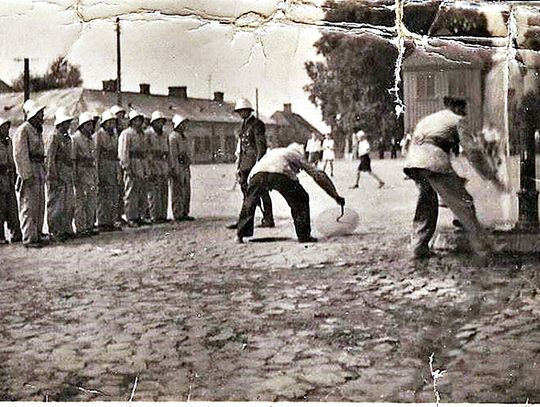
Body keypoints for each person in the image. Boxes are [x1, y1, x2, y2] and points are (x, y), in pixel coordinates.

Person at [404, 97, 506, 260]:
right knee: (464, 202)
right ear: (458, 108)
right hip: (433, 161)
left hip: (414, 162)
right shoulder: (458, 120)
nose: (465, 113)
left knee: (426, 204)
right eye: (464, 110)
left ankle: (418, 246)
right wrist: (491, 177)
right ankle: (484, 248)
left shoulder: (430, 118)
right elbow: (473, 152)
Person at [236, 143, 345, 244]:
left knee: (249, 202)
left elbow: (256, 174)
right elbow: (318, 174)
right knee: (301, 198)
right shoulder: (295, 154)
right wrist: (335, 195)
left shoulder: (274, 152)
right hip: (280, 173)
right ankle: (304, 236)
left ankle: (240, 234)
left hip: (256, 175)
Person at [228, 98, 274, 229]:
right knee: (246, 192)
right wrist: (239, 165)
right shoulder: (243, 125)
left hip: (254, 163)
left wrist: (259, 164)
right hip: (244, 163)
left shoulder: (257, 124)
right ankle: (245, 220)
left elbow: (261, 146)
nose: (241, 113)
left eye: (243, 111)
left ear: (248, 110)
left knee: (261, 191)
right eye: (239, 111)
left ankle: (268, 218)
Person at [12, 100, 47, 248]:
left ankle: (37, 233)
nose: (42, 116)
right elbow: (20, 155)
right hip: (30, 171)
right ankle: (29, 237)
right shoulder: (23, 131)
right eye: (39, 113)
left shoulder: (37, 130)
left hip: (38, 169)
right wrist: (27, 175)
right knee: (28, 206)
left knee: (39, 204)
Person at [45, 108, 75, 242]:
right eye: (65, 122)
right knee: (56, 206)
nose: (68, 125)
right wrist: (52, 176)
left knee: (68, 205)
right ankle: (55, 232)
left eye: (68, 122)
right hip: (57, 175)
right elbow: (50, 159)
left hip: (67, 175)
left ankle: (66, 229)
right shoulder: (54, 137)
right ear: (60, 124)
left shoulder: (67, 138)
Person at [94, 109, 122, 232]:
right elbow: (96, 155)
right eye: (109, 122)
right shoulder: (98, 135)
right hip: (103, 167)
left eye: (113, 122)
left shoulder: (115, 135)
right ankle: (102, 221)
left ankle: (111, 220)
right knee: (103, 195)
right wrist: (97, 172)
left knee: (113, 195)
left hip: (113, 166)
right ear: (104, 123)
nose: (111, 125)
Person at [118, 110, 148, 227]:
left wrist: (146, 167)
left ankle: (140, 215)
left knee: (141, 191)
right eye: (136, 120)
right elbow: (123, 152)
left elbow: (145, 153)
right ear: (131, 122)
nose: (138, 123)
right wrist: (126, 167)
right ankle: (131, 217)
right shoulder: (126, 134)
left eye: (140, 120)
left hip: (141, 164)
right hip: (132, 164)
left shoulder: (142, 134)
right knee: (131, 192)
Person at [72, 112, 99, 237]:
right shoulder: (75, 139)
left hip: (91, 173)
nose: (90, 127)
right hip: (81, 173)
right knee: (80, 202)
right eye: (88, 125)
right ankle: (81, 228)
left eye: (91, 125)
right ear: (82, 126)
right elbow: (73, 159)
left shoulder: (91, 139)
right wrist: (75, 175)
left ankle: (89, 225)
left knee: (91, 201)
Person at [0, 117, 22, 244]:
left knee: (13, 208)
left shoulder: (9, 142)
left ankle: (16, 234)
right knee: (1, 209)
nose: (6, 130)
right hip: (1, 179)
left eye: (7, 127)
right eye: (3, 128)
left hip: (9, 179)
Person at [146, 111, 170, 223]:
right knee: (154, 192)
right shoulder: (148, 134)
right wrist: (149, 168)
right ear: (153, 123)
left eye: (161, 122)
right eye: (157, 122)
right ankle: (154, 215)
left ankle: (163, 215)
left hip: (163, 164)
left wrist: (168, 166)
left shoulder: (165, 135)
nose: (160, 124)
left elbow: (168, 152)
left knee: (163, 191)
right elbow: (146, 152)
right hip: (153, 164)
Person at [169, 114, 194, 221]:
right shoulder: (173, 137)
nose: (184, 126)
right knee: (177, 191)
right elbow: (173, 154)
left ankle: (184, 211)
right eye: (182, 124)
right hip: (177, 166)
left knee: (186, 190)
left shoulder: (184, 137)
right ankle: (177, 213)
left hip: (185, 166)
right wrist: (174, 168)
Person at [110, 105, 127, 226]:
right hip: (113, 164)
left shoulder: (122, 130)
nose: (120, 118)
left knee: (121, 190)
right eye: (118, 116)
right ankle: (114, 216)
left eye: (122, 116)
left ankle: (119, 214)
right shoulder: (111, 132)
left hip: (120, 163)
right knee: (114, 190)